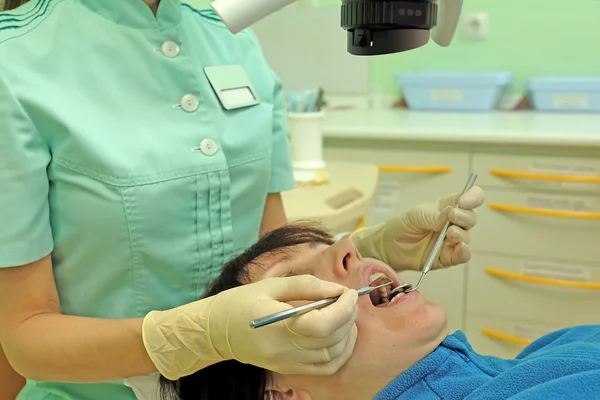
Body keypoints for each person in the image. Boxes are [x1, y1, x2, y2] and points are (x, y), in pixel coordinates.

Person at [0, 0, 484, 399]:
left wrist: (370, 248)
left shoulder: (234, 38)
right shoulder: (16, 64)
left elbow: (270, 251)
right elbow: (24, 337)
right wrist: (199, 336)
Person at [159, 224, 600, 400]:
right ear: (281, 394)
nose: (349, 248)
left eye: (327, 246)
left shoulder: (553, 349)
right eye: (292, 279)